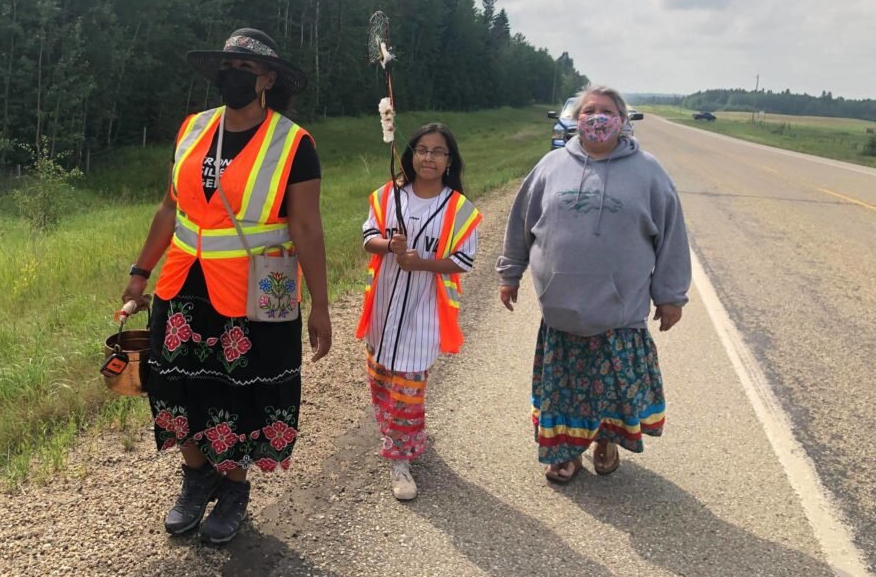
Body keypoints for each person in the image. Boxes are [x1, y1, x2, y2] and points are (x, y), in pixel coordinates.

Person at [122, 27, 332, 543]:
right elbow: (171, 207)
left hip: (251, 292)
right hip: (182, 285)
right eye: (227, 66)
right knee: (174, 383)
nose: (232, 75)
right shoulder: (192, 129)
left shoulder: (294, 144)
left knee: (236, 393)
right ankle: (197, 478)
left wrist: (322, 306)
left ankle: (234, 486)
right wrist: (139, 273)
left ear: (266, 79)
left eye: (245, 68)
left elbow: (306, 227)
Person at [496, 85, 690, 484]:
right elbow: (521, 222)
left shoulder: (649, 172)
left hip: (618, 315)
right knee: (563, 390)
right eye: (589, 111)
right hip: (562, 312)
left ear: (622, 120)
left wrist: (670, 297)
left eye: (606, 111)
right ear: (576, 118)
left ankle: (605, 442)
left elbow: (671, 237)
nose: (596, 118)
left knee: (611, 389)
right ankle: (565, 454)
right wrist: (509, 273)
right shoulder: (551, 166)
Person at [356, 123, 481, 500]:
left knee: (408, 389)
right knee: (381, 381)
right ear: (410, 155)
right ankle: (397, 431)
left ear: (449, 161)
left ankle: (401, 458)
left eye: (438, 151)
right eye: (422, 149)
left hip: (422, 311)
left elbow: (462, 261)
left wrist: (422, 262)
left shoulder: (459, 210)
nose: (428, 157)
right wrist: (389, 247)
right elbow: (368, 238)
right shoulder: (387, 196)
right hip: (383, 309)